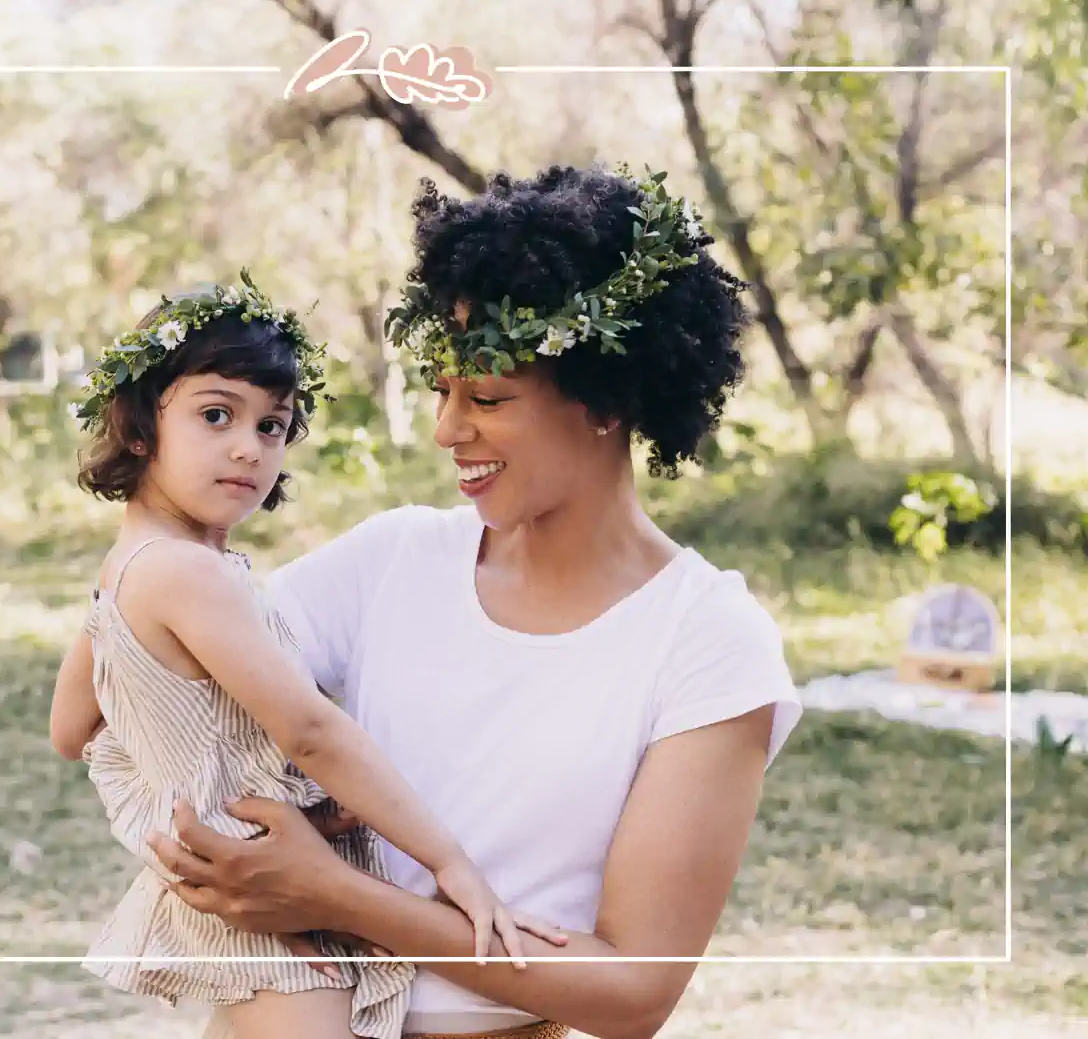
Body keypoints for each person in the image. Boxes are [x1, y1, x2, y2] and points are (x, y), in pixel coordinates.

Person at [57, 163, 804, 1039]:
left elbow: (636, 992)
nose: (448, 429)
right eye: (442, 391)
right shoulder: (394, 558)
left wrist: (340, 895)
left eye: (486, 396)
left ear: (607, 401)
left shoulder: (708, 643)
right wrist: (152, 532)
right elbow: (134, 673)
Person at [48, 273, 559, 1039]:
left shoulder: (129, 565)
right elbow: (309, 732)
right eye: (216, 415)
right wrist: (451, 864)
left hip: (258, 890)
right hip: (267, 918)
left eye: (272, 426)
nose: (247, 447)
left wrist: (197, 770)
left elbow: (70, 728)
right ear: (140, 427)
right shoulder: (186, 574)